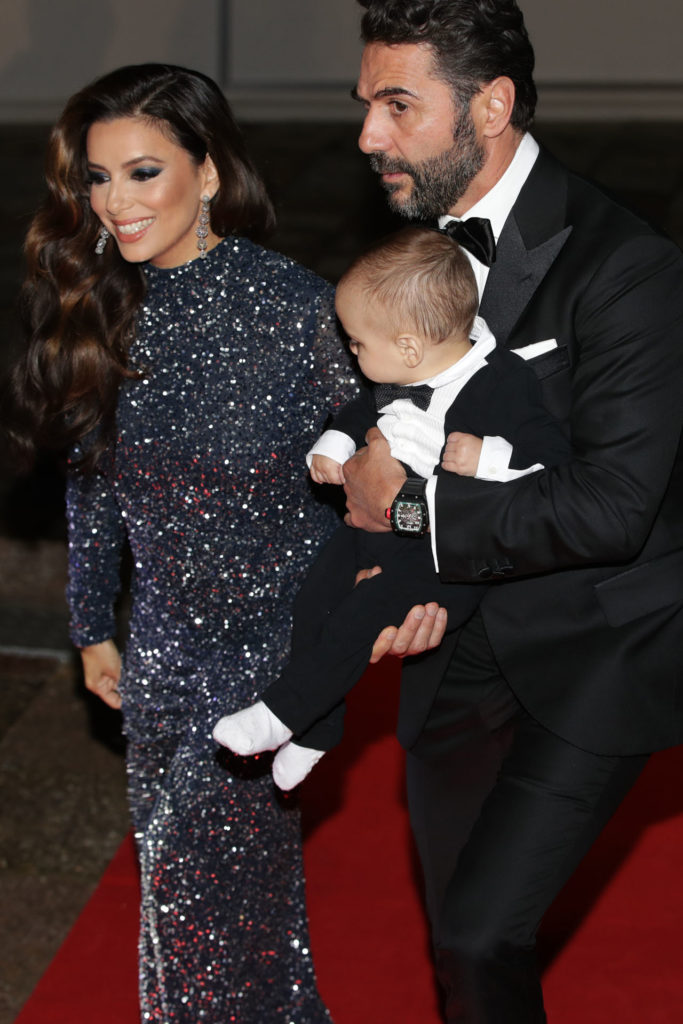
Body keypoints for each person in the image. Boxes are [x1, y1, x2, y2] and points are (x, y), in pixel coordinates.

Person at [337, 2, 683, 1021]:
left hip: (595, 641)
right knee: (464, 949)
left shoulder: (627, 269)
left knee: (475, 929)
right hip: (454, 648)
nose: (367, 136)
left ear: (489, 105)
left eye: (397, 106)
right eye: (365, 105)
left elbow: (611, 507)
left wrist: (408, 519)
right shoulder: (408, 252)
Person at [7, 62, 366, 1024]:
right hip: (162, 659)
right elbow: (96, 494)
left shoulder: (297, 311)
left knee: (202, 916)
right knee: (199, 921)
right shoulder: (102, 309)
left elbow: (375, 472)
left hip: (267, 667)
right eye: (97, 177)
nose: (114, 203)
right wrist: (91, 628)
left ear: (207, 175)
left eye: (142, 172)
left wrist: (360, 617)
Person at [213, 226, 570, 791]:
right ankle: (316, 729)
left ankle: (279, 713)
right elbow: (362, 412)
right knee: (314, 602)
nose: (350, 351)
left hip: (442, 557)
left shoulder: (502, 383)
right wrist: (332, 446)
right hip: (372, 528)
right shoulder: (402, 369)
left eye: (356, 343)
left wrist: (488, 455)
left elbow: (553, 461)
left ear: (407, 346)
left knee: (360, 613)